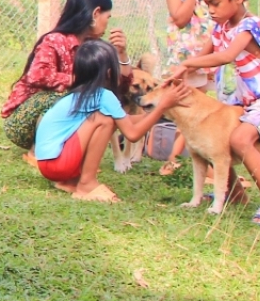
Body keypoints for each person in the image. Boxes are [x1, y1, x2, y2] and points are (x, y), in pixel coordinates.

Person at [167, 0, 260, 226]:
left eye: (214, 4)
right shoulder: (221, 26)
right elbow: (206, 52)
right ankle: (234, 195)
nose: (210, 10)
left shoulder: (251, 26)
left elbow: (225, 56)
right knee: (218, 138)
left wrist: (188, 64)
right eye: (207, 4)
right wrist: (183, 70)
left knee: (240, 140)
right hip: (246, 99)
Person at [33, 40, 190, 202]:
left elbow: (126, 121)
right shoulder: (104, 95)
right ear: (109, 72)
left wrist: (162, 111)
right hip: (58, 164)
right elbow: (133, 134)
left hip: (48, 164)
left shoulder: (81, 94)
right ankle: (86, 184)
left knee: (110, 119)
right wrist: (162, 105)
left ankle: (70, 182)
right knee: (105, 121)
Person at [2, 0, 131, 156]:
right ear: (95, 14)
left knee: (91, 100)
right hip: (23, 122)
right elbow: (37, 76)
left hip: (60, 119)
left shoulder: (94, 48)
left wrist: (122, 55)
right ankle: (38, 153)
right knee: (70, 97)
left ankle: (69, 156)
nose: (108, 24)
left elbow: (119, 89)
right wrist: (80, 80)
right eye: (107, 17)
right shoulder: (54, 40)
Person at [157, 0, 213, 175]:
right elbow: (179, 18)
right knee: (188, 112)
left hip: (207, 57)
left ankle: (178, 160)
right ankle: (177, 160)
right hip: (183, 59)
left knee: (201, 111)